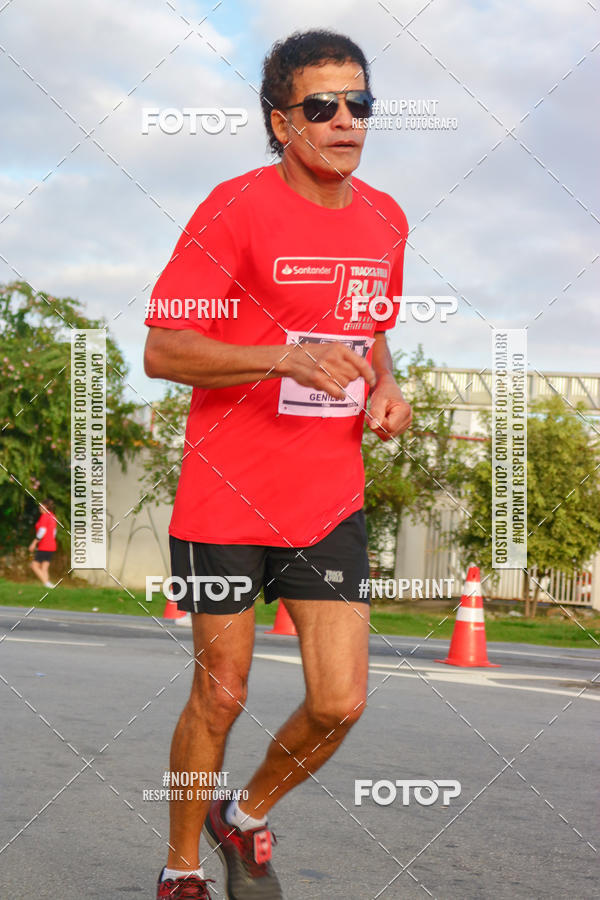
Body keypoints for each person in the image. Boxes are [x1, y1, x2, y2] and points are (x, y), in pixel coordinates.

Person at [144, 29, 412, 900]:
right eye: (322, 106)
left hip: (327, 492)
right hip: (227, 494)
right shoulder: (236, 209)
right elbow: (161, 349)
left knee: (341, 702)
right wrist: (280, 358)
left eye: (359, 103)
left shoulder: (386, 220)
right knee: (220, 695)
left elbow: (371, 335)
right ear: (280, 120)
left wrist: (386, 390)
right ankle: (182, 869)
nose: (345, 121)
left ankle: (244, 815)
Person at [29, 499, 57, 588]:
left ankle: (47, 584)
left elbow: (42, 531)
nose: (39, 507)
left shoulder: (45, 516)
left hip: (44, 545)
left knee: (34, 566)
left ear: (46, 507)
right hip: (52, 545)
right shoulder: (53, 516)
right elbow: (54, 532)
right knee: (44, 568)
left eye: (41, 506)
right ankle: (49, 588)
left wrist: (34, 543)